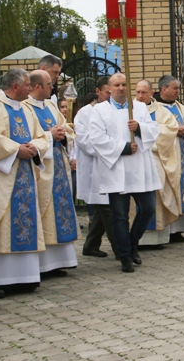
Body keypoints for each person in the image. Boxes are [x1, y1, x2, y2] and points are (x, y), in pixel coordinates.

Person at [0, 68, 50, 299]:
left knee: (24, 221)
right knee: (1, 222)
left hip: (24, 176)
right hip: (1, 177)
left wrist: (34, 148)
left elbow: (41, 135)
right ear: (15, 86)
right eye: (27, 85)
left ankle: (24, 278)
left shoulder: (26, 109)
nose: (31, 88)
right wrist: (17, 150)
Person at [88, 73, 161, 272]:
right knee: (119, 216)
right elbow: (96, 137)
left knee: (147, 208)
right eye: (116, 85)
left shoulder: (138, 107)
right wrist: (124, 147)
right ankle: (125, 256)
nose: (121, 88)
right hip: (116, 167)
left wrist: (139, 128)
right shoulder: (100, 110)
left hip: (139, 167)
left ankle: (132, 242)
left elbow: (154, 130)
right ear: (109, 89)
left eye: (124, 84)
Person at [23, 70, 79, 277]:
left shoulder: (51, 106)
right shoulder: (24, 107)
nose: (52, 88)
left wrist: (64, 135)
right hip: (40, 169)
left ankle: (59, 261)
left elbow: (67, 129)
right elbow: (27, 137)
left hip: (58, 167)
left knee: (60, 209)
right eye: (49, 84)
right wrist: (50, 135)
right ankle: (43, 264)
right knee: (44, 211)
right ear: (37, 86)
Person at [135, 79, 180, 247]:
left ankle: (157, 239)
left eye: (143, 92)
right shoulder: (128, 110)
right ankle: (137, 238)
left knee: (158, 194)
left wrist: (146, 136)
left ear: (151, 93)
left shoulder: (161, 111)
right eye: (137, 92)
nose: (139, 96)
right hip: (135, 159)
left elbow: (170, 130)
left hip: (155, 158)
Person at [76, 77, 116, 258]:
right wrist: (108, 149)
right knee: (107, 210)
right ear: (98, 91)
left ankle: (90, 245)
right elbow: (84, 140)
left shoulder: (114, 110)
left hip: (112, 164)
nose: (110, 95)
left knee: (104, 210)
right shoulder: (85, 113)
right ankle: (121, 249)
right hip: (94, 166)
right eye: (107, 92)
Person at [154, 75, 184, 242]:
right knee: (169, 190)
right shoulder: (154, 108)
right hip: (166, 156)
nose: (178, 92)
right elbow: (152, 130)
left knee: (182, 189)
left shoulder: (179, 107)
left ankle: (178, 230)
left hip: (182, 154)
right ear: (163, 89)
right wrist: (173, 131)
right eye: (175, 88)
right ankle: (169, 230)